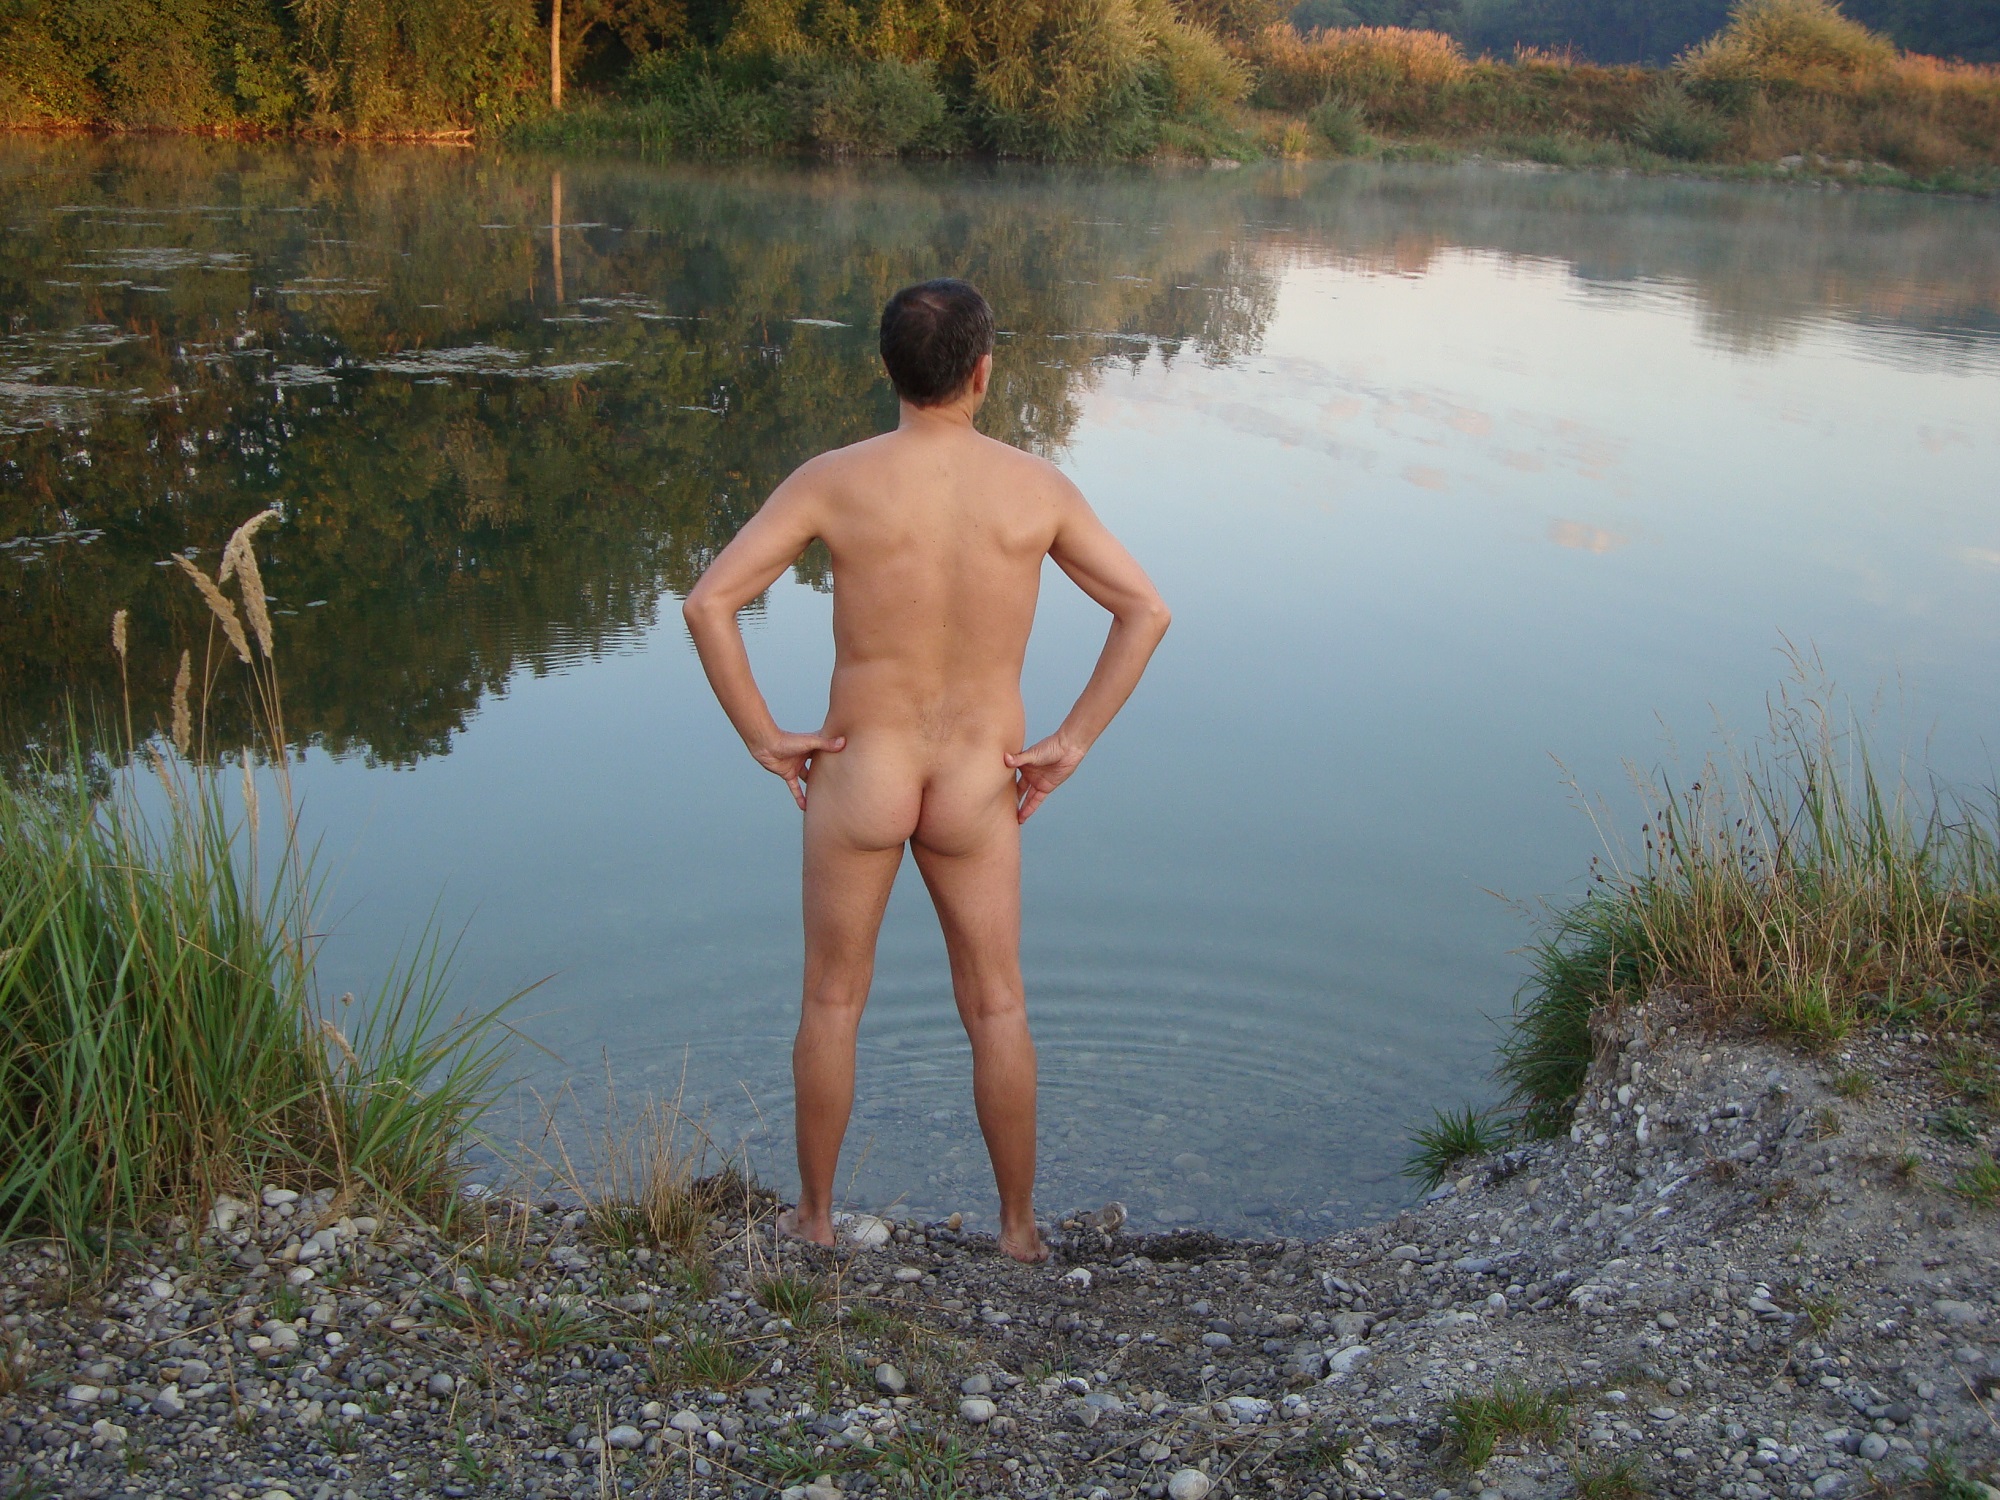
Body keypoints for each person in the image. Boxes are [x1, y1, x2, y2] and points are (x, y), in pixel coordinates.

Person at [683, 278, 1170, 1264]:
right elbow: (1144, 610)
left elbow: (708, 604)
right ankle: (1018, 1232)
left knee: (832, 1000)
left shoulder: (833, 479)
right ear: (982, 372)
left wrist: (763, 735)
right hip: (979, 776)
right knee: (996, 1004)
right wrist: (1071, 741)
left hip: (861, 766)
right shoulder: (1037, 489)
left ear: (888, 368)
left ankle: (815, 1220)